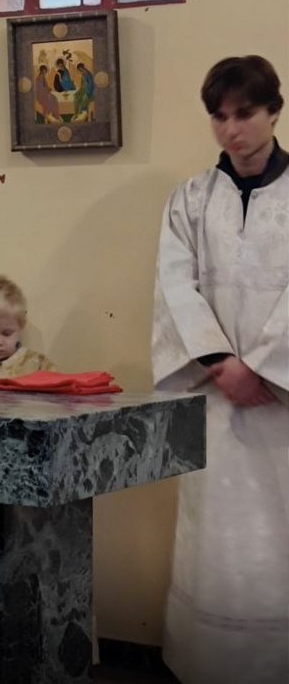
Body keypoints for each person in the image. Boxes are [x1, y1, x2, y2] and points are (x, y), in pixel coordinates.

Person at [152, 55, 288, 684]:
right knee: (217, 544)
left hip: (280, 406)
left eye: (245, 113)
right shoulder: (191, 200)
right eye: (219, 116)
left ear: (274, 112)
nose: (232, 129)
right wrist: (221, 362)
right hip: (216, 401)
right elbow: (173, 285)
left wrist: (262, 366)